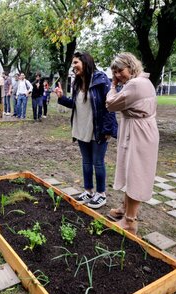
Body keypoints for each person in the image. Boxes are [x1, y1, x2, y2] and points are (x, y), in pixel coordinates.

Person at [54, 51, 117, 209]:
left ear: (86, 62)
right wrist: (62, 98)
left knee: (98, 162)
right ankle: (88, 191)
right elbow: (77, 104)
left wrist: (108, 129)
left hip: (97, 129)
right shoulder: (77, 82)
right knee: (86, 161)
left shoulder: (100, 79)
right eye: (73, 63)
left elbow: (110, 106)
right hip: (81, 127)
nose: (73, 66)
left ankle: (101, 194)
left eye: (76, 63)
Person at [106, 52, 159, 235]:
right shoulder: (140, 82)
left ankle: (130, 221)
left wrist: (113, 86)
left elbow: (111, 104)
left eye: (120, 70)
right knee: (130, 170)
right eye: (115, 73)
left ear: (131, 66)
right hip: (138, 130)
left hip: (140, 133)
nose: (118, 75)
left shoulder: (136, 84)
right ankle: (125, 208)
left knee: (136, 173)